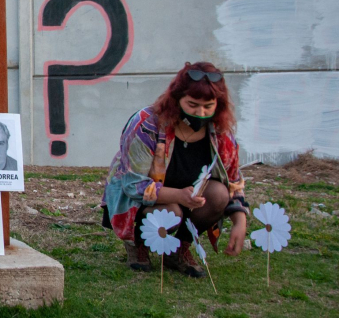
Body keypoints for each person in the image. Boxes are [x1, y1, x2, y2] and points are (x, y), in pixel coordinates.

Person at [102, 62, 249, 277]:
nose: (200, 113)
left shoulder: (221, 135)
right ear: (176, 99)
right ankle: (138, 242)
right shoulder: (147, 124)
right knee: (172, 210)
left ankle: (178, 249)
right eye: (192, 104)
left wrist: (240, 222)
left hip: (188, 198)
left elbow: (234, 182)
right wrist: (180, 196)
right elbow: (132, 184)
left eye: (208, 106)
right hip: (142, 201)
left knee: (219, 194)